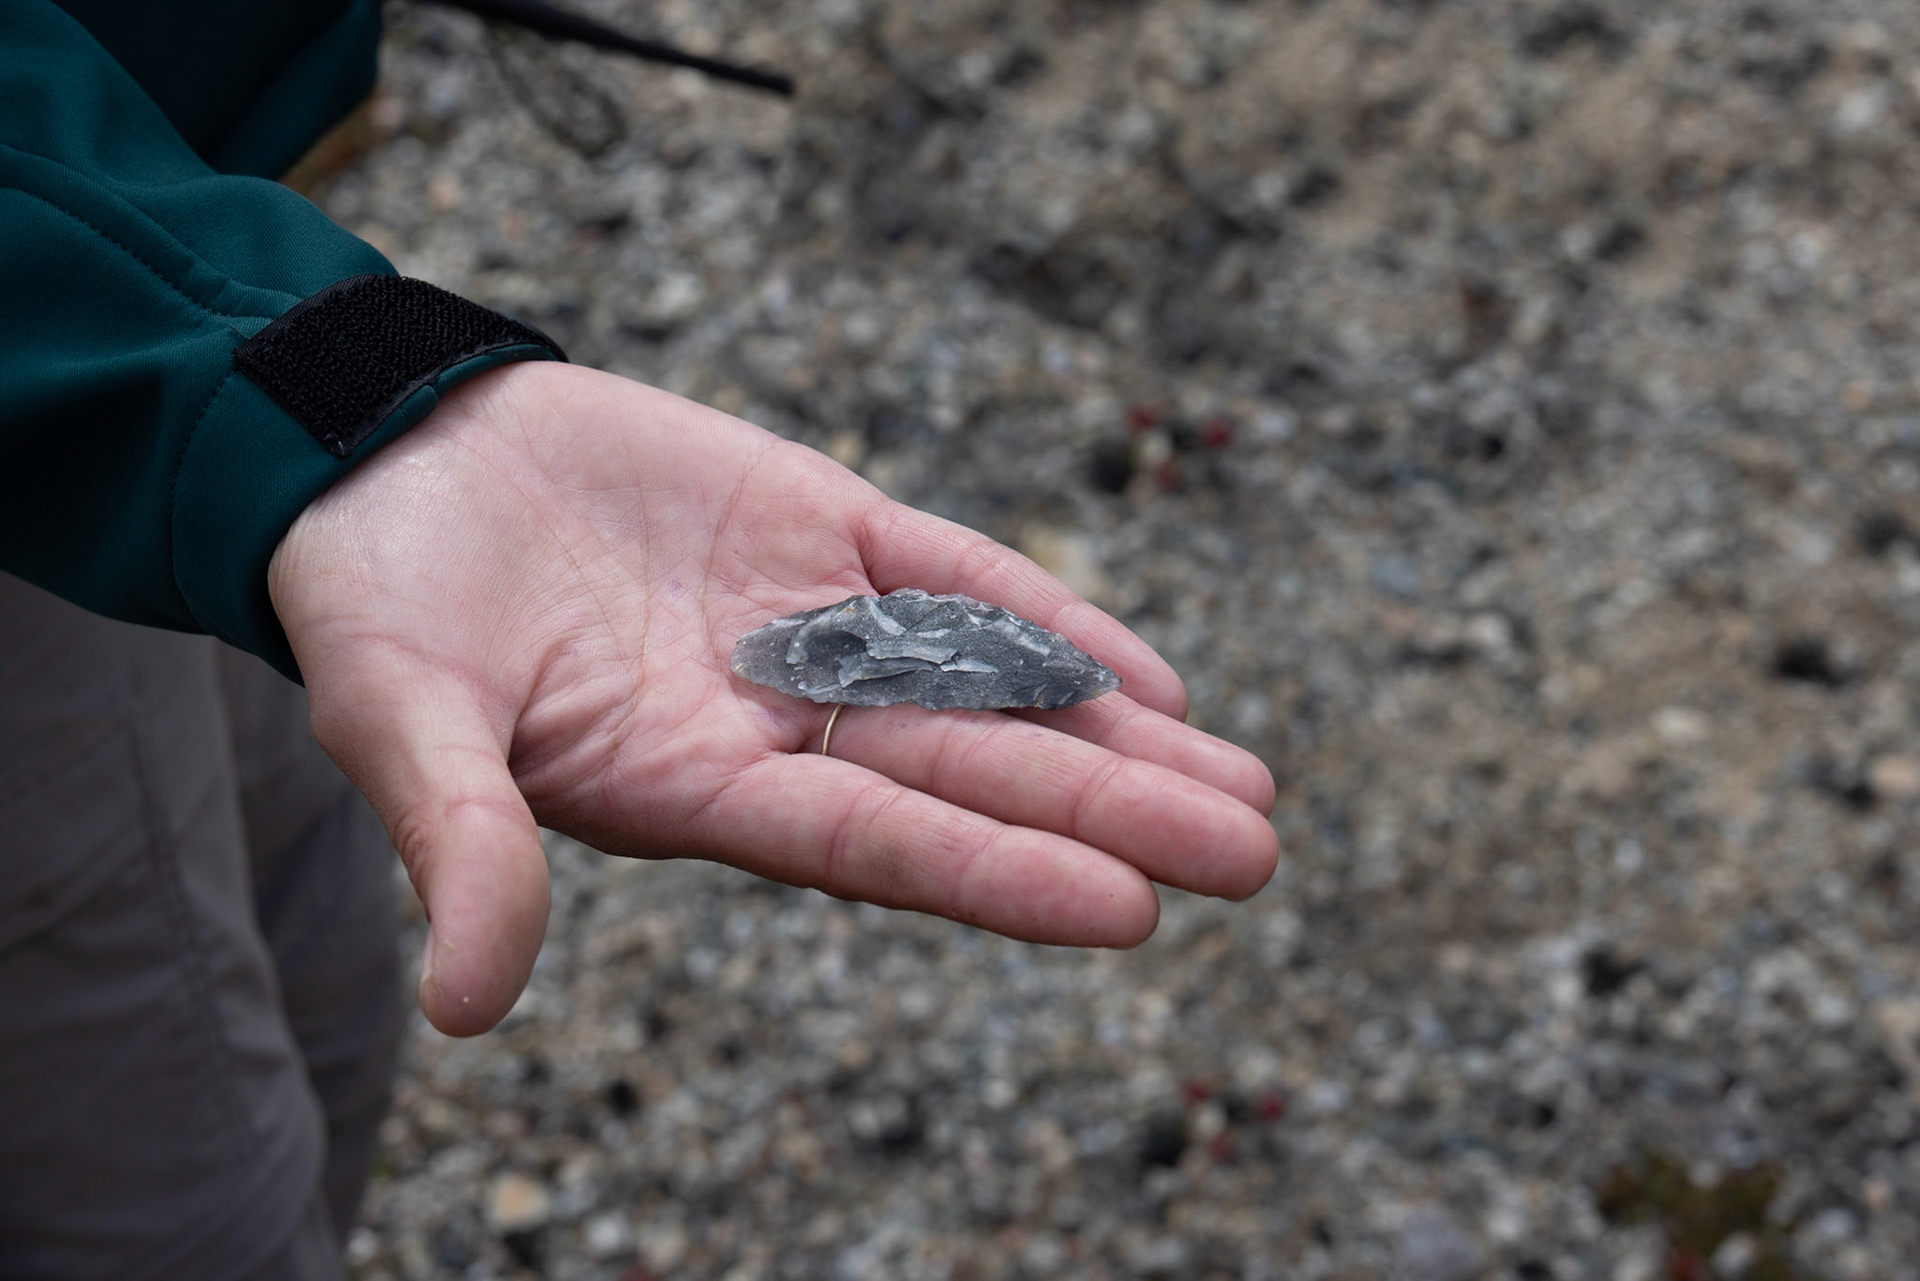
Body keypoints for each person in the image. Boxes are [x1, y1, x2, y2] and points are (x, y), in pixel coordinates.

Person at [0, 2, 1281, 1277]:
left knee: (317, 953)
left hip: (161, 224)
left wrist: (281, 394)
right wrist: (268, 379)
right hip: (99, 343)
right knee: (183, 1191)